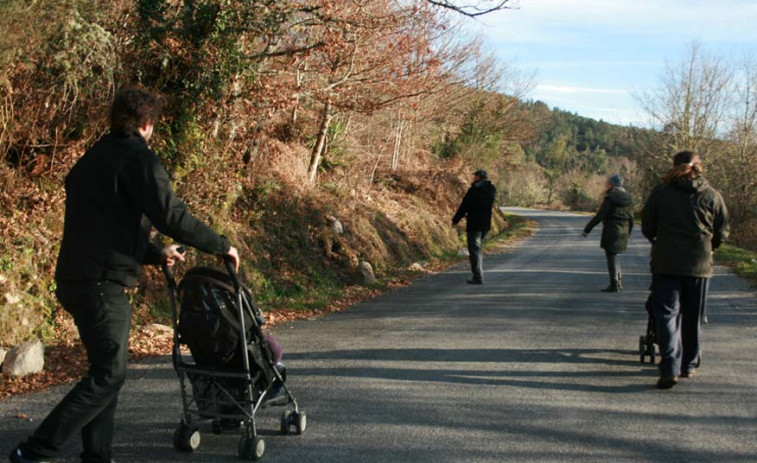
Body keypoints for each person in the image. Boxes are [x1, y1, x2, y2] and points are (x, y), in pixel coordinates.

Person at [10, 87, 240, 463]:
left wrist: (154, 253)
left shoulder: (92, 159)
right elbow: (172, 215)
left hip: (75, 277)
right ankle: (35, 451)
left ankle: (97, 455)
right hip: (101, 283)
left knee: (105, 370)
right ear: (147, 124)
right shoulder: (139, 159)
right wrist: (220, 244)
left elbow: (105, 226)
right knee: (109, 375)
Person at [641, 151, 729, 389]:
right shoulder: (712, 195)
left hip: (666, 263)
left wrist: (660, 241)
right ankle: (688, 364)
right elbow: (722, 230)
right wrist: (709, 246)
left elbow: (647, 225)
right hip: (699, 266)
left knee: (667, 315)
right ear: (700, 167)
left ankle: (669, 366)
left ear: (674, 166)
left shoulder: (661, 193)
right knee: (692, 316)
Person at [582, 173, 634, 292]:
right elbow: (631, 218)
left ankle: (614, 283)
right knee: (614, 255)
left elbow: (600, 215)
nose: (607, 186)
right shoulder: (628, 198)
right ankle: (618, 280)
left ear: (611, 185)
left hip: (612, 229)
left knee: (611, 255)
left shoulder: (610, 197)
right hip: (624, 229)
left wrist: (587, 229)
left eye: (608, 183)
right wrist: (629, 233)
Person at [452, 169, 497, 284]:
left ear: (478, 177)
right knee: (477, 249)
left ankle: (477, 277)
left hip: (474, 224)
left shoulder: (473, 191)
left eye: (475, 176)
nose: (473, 178)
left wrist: (455, 220)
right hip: (486, 225)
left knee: (474, 251)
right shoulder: (491, 190)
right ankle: (477, 275)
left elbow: (464, 206)